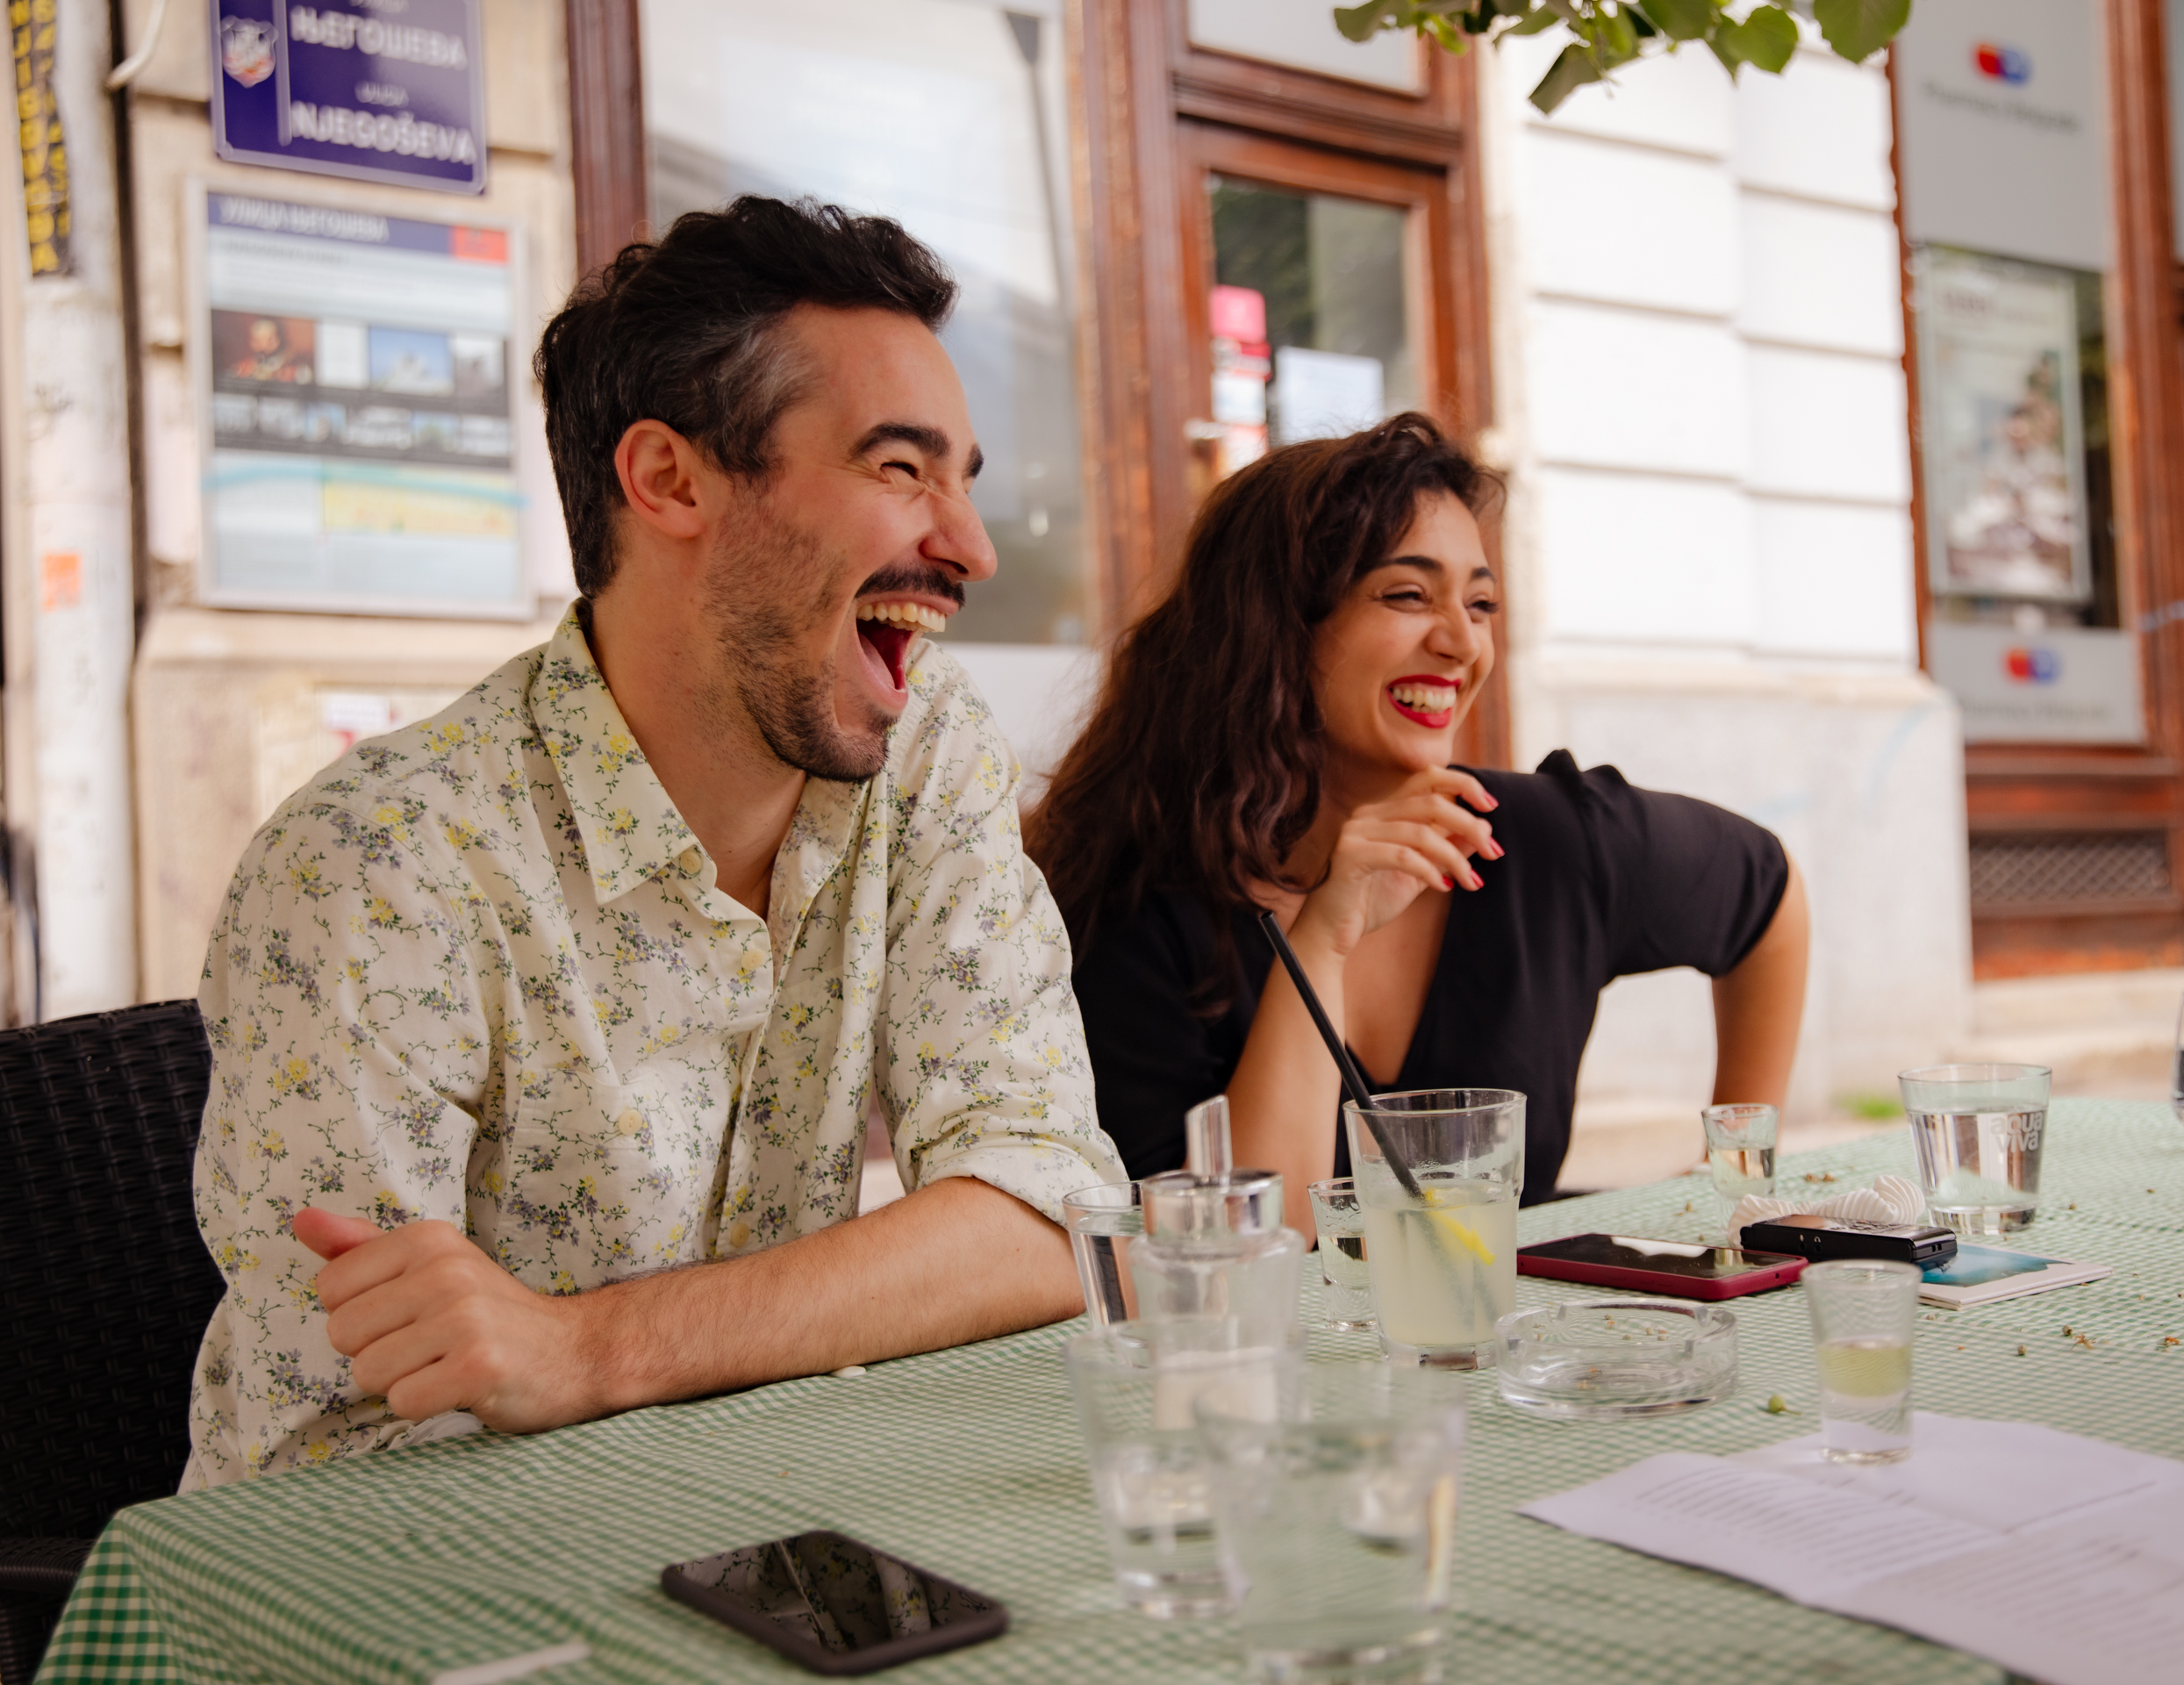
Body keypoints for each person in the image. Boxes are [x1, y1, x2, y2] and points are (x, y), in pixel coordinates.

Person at [183, 197, 1123, 1486]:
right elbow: (347, 1449)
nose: (970, 544)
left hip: (776, 1531)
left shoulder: (924, 747)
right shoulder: (382, 862)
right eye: (902, 470)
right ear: (669, 481)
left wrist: (592, 1350)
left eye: (962, 478)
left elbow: (1052, 1209)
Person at [1025, 415, 1807, 1220]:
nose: (1463, 642)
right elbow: (1256, 1239)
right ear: (1276, 625)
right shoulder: (1137, 908)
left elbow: (1766, 895)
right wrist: (1323, 939)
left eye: (1481, 602)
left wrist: (1730, 1182)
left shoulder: (1545, 838)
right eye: (1407, 595)